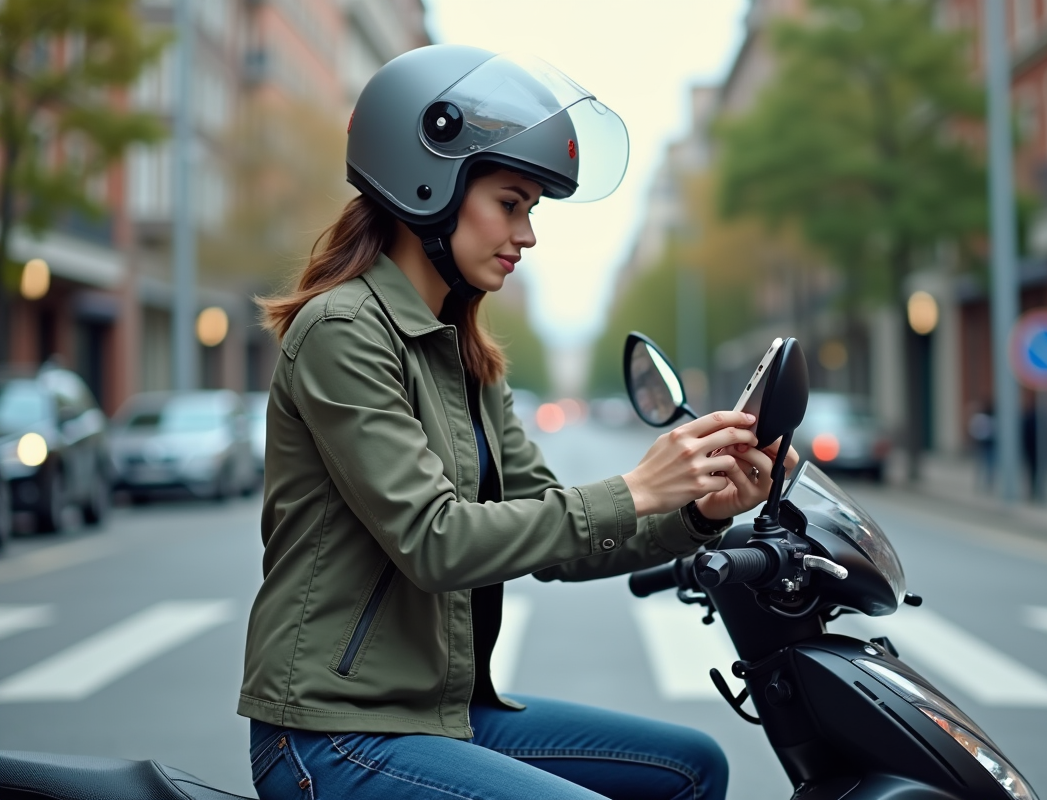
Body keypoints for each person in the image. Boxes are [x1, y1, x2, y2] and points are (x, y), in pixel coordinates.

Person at [240, 45, 796, 800]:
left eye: (530, 211)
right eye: (510, 203)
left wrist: (697, 509)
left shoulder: (464, 356)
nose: (527, 235)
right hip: (333, 733)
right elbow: (433, 540)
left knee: (692, 767)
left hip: (442, 714)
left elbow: (556, 540)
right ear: (428, 181)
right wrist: (634, 487)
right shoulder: (344, 331)